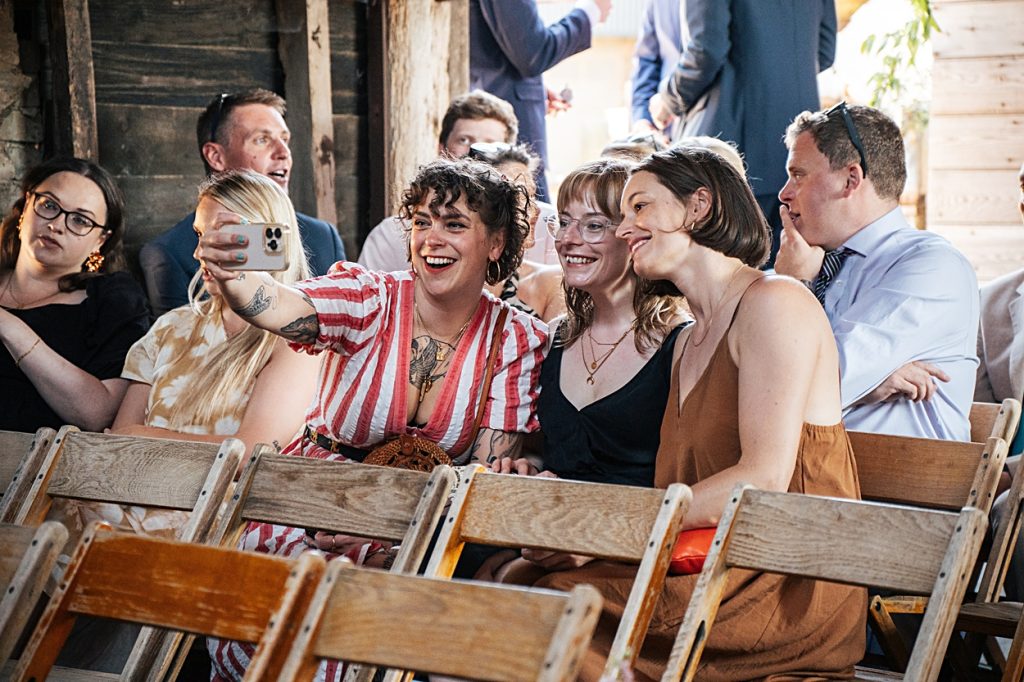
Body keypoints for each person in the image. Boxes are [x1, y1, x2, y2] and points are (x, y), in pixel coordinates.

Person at [513, 146, 865, 680]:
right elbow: (674, 485)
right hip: (703, 561)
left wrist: (605, 534)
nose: (625, 229)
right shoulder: (686, 341)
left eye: (640, 208)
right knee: (516, 585)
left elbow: (763, 478)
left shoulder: (776, 301)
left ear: (698, 206)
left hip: (782, 579)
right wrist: (579, 537)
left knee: (547, 609)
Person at [199, 158, 547, 681]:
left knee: (376, 632)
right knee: (305, 624)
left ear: (495, 243)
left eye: (454, 224)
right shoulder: (369, 297)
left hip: (415, 532)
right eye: (422, 221)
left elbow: (486, 474)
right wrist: (236, 278)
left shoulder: (516, 339)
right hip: (306, 511)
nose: (433, 238)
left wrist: (392, 541)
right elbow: (282, 307)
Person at [775, 103, 979, 441]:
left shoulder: (932, 265)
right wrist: (868, 385)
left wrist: (792, 286)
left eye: (798, 175)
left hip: (899, 491)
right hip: (814, 480)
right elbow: (746, 378)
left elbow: (798, 384)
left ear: (850, 179)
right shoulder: (809, 262)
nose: (784, 194)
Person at [112, 169, 319, 456]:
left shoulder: (298, 338)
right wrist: (133, 438)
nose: (201, 252)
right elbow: (116, 444)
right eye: (200, 235)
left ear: (270, 240)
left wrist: (144, 437)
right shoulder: (168, 328)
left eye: (225, 237)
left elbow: (251, 453)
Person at [649, 0, 836, 265]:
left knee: (720, 275)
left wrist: (668, 100)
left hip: (731, 142)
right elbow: (825, 50)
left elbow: (706, 49)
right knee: (783, 276)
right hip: (798, 144)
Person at [140, 89, 346, 316]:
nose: (283, 152)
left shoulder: (323, 237)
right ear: (216, 157)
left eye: (285, 140)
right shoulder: (170, 253)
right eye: (262, 140)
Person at [0, 157, 150, 433]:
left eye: (80, 220)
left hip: (45, 468)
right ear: (25, 206)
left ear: (100, 240)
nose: (56, 224)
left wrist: (9, 326)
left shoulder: (113, 300)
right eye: (49, 206)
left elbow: (100, 415)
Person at [357, 90, 524, 272]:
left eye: (490, 145)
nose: (476, 154)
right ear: (442, 148)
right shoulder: (389, 236)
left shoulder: (535, 224)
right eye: (464, 140)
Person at [470, 0, 613, 201]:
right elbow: (533, 52)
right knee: (525, 211)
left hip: (500, 102)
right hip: (505, 122)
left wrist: (536, 89)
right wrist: (589, 13)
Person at [471, 142, 564, 322]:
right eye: (516, 194)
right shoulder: (443, 278)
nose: (534, 211)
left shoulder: (550, 281)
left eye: (531, 196)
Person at [629, 0, 684, 141]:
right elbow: (647, 60)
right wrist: (643, 119)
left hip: (712, 120)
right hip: (666, 129)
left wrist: (669, 98)